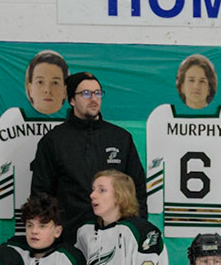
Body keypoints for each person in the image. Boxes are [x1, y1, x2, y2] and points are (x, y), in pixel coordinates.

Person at [29, 70, 147, 240]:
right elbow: (41, 196)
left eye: (98, 93)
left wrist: (138, 229)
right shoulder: (53, 141)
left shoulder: (121, 138)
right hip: (69, 238)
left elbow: (138, 189)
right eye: (85, 93)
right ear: (71, 100)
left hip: (116, 237)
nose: (93, 98)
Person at [145, 53, 221, 238]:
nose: (196, 86)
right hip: (176, 216)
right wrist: (155, 203)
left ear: (210, 87)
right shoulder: (161, 118)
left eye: (202, 81)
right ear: (181, 85)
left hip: (212, 215)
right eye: (191, 80)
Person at [0, 49, 69, 223]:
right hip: (24, 215)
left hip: (67, 219)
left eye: (55, 83)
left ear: (65, 90)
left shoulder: (75, 130)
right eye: (40, 82)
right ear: (29, 88)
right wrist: (5, 209)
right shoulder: (9, 120)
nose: (47, 90)